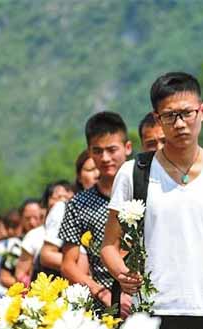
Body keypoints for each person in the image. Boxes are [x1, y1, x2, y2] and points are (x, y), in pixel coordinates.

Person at [101, 72, 203, 329]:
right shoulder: (134, 173)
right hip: (151, 313)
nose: (180, 124)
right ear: (158, 119)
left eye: (187, 113)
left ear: (202, 111)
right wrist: (122, 274)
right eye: (170, 116)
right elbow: (108, 245)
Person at [59, 111, 132, 316]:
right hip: (105, 307)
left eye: (112, 150)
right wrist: (102, 293)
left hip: (152, 297)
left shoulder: (146, 191)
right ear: (90, 153)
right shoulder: (78, 205)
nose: (105, 158)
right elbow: (68, 265)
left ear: (127, 148)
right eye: (98, 151)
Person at [40, 150, 99, 276]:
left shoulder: (119, 205)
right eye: (91, 169)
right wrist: (81, 267)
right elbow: (47, 255)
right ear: (79, 177)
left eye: (100, 168)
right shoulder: (65, 209)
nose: (97, 174)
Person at [15, 180, 74, 283]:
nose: (62, 201)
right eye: (57, 197)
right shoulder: (33, 235)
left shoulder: (79, 230)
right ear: (45, 204)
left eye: (66, 197)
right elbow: (20, 273)